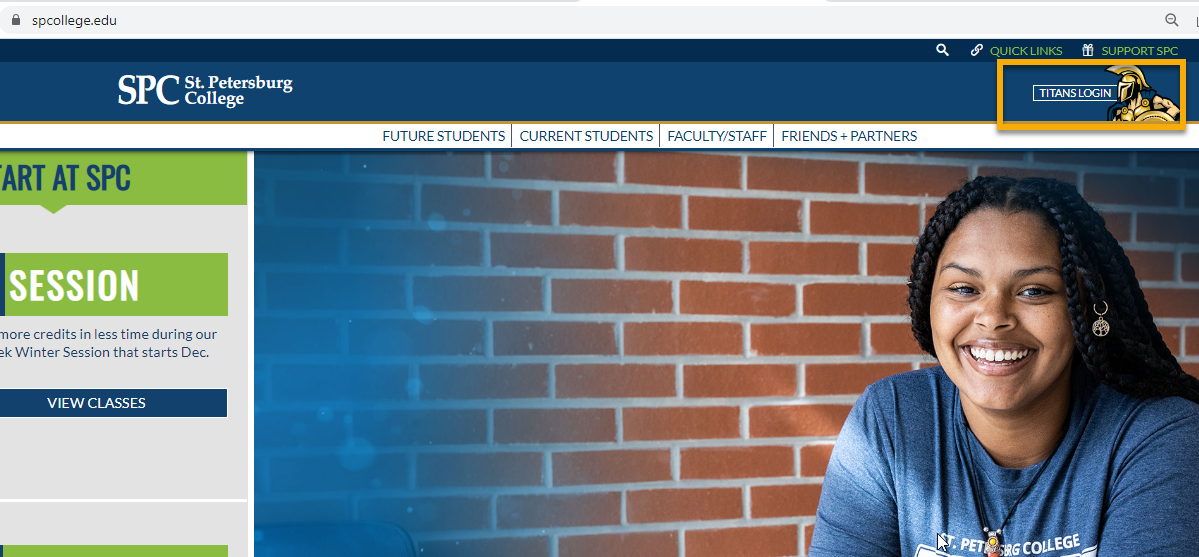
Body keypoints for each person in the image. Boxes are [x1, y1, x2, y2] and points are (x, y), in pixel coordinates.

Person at [808, 176, 1199, 557]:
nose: (993, 317)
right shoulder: (890, 418)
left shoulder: (1159, 435)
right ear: (928, 301)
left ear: (1085, 304)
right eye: (964, 288)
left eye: (1034, 291)